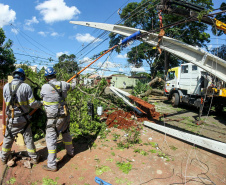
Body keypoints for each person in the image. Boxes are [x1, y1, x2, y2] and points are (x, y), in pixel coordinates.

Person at [0, 68, 42, 165]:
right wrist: (40, 103)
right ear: (22, 76)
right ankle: (34, 158)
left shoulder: (6, 86)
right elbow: (32, 104)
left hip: (11, 119)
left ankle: (3, 159)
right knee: (28, 139)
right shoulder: (26, 86)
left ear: (14, 75)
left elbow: (6, 102)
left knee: (7, 140)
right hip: (24, 119)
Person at [41, 67, 76, 172]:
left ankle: (51, 165)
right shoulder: (63, 84)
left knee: (51, 139)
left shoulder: (44, 87)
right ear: (55, 75)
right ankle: (70, 152)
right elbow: (73, 87)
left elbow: (43, 97)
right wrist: (74, 79)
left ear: (46, 78)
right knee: (66, 133)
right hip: (65, 115)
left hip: (53, 119)